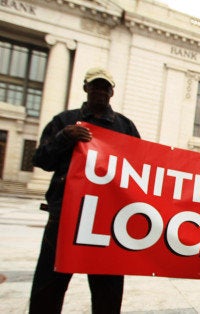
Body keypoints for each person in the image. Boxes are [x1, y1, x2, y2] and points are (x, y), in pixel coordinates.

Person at [29, 67, 140, 314]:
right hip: (65, 215)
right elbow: (41, 160)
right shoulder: (64, 122)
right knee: (49, 286)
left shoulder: (124, 126)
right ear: (85, 88)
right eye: (95, 86)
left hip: (107, 220)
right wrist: (64, 137)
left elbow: (140, 168)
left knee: (107, 291)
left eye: (104, 87)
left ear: (112, 92)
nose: (100, 91)